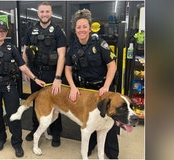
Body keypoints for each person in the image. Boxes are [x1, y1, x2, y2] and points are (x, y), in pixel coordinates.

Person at [0, 20, 45, 158]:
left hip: (9, 85)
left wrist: (34, 78)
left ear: (6, 33)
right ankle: (1, 138)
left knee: (14, 115)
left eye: (3, 31)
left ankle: (17, 143)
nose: (1, 33)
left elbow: (22, 66)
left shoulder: (12, 48)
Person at [64, 9, 119, 159]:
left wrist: (106, 86)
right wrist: (73, 87)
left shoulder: (100, 44)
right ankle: (91, 145)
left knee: (108, 119)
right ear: (75, 30)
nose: (81, 30)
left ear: (89, 28)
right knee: (90, 120)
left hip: (102, 87)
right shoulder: (73, 48)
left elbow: (112, 66)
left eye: (84, 26)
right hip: (85, 89)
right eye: (78, 27)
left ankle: (112, 152)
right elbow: (67, 69)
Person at [22, 1, 67, 147]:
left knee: (56, 103)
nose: (44, 14)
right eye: (42, 11)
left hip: (52, 74)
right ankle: (36, 129)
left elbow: (62, 56)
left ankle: (56, 133)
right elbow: (25, 52)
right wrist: (26, 72)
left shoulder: (57, 31)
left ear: (51, 12)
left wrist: (58, 78)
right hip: (35, 73)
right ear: (38, 13)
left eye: (47, 11)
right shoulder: (30, 30)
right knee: (37, 102)